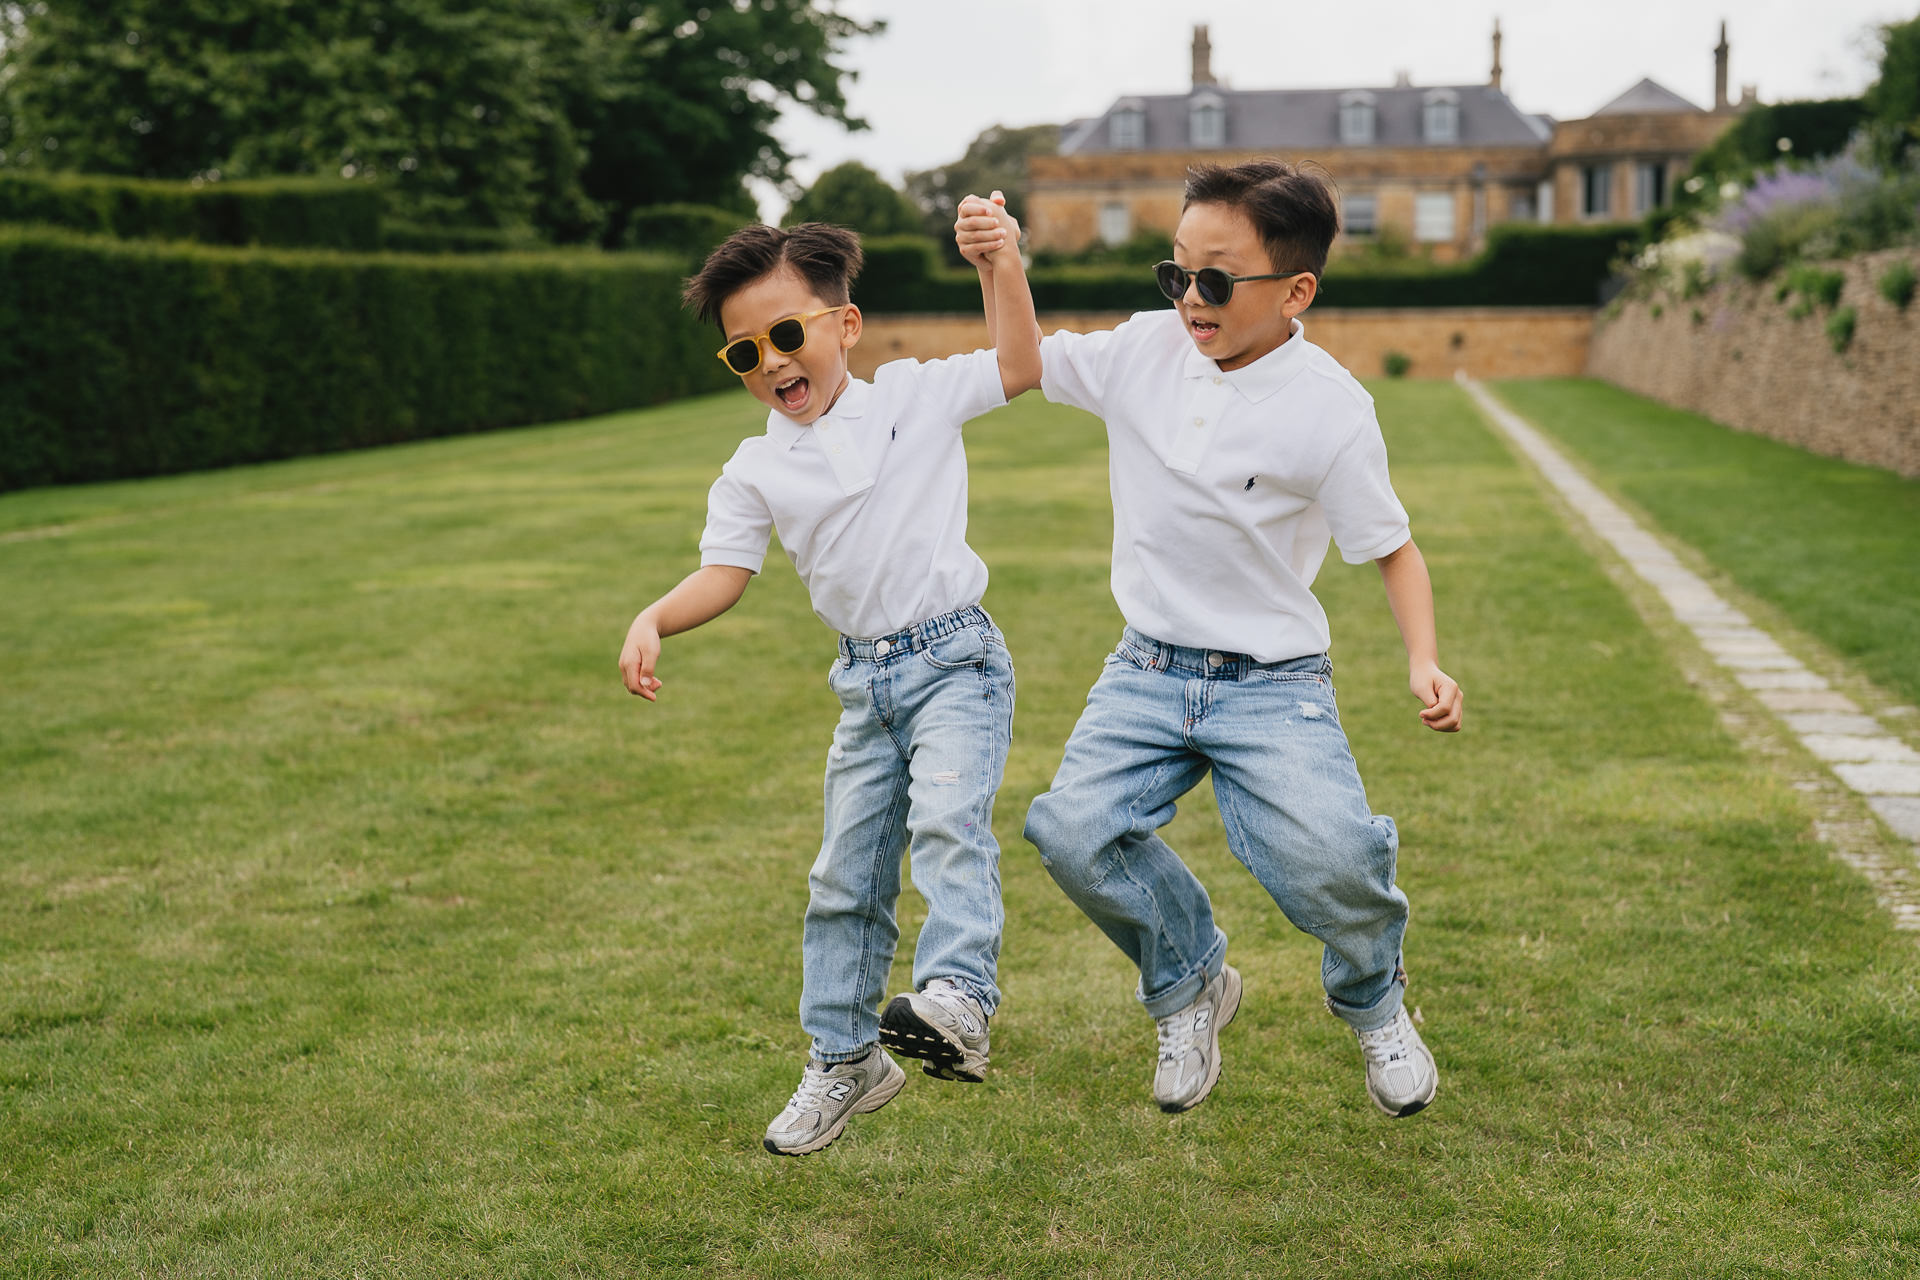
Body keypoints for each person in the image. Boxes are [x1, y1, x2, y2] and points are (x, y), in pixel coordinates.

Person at [955, 160, 1463, 1119]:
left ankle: (1374, 1000)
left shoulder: (1332, 409)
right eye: (1176, 273)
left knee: (1335, 860)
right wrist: (1004, 264)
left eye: (1217, 280)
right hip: (1146, 666)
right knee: (1068, 830)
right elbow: (1022, 365)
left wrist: (1423, 659)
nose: (1191, 297)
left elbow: (1392, 550)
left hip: (1273, 681)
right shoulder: (1146, 351)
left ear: (1296, 291)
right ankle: (1191, 983)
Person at [619, 210, 1039, 1156]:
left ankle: (961, 999)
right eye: (743, 354)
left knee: (948, 820)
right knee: (841, 884)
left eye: (785, 335)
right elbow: (724, 572)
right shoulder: (757, 467)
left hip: (956, 662)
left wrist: (1000, 265)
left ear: (844, 326)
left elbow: (1019, 363)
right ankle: (846, 1059)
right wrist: (653, 616)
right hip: (864, 687)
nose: (770, 363)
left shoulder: (914, 398)